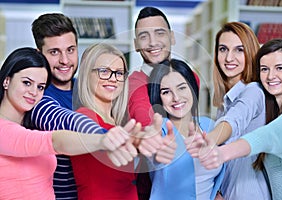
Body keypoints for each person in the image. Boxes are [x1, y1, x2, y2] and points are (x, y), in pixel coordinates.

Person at [0, 47, 139, 199]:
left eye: (40, 87)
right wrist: (103, 138)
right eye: (27, 83)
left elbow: (63, 120)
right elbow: (56, 141)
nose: (34, 92)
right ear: (7, 81)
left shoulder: (33, 122)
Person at [69, 43, 176, 199]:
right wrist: (140, 140)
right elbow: (105, 138)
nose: (113, 79)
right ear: (87, 75)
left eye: (119, 73)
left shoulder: (118, 122)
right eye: (104, 71)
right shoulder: (83, 117)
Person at [196, 39, 282, 200]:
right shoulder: (273, 112)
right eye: (264, 69)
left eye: (280, 68)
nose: (271, 76)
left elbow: (265, 136)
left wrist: (220, 152)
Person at [30, 13, 117, 199]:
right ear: (39, 55)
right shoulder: (37, 98)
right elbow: (65, 120)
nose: (65, 60)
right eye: (54, 52)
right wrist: (107, 138)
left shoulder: (89, 88)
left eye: (70, 50)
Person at [185, 21, 271, 200]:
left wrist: (210, 139)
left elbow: (233, 121)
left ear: (250, 53)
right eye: (223, 49)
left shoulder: (254, 91)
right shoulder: (225, 103)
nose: (229, 58)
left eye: (239, 50)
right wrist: (219, 191)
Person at [129, 7, 199, 199]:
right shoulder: (133, 85)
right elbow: (144, 116)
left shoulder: (191, 77)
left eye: (159, 33)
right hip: (150, 191)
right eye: (144, 36)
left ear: (172, 37)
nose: (153, 42)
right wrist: (152, 137)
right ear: (136, 44)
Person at [147, 59, 225, 200]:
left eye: (182, 87)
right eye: (166, 92)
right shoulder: (160, 130)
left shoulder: (209, 126)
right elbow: (152, 156)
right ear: (158, 98)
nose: (176, 97)